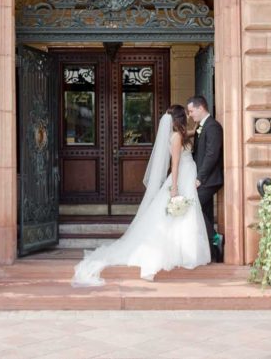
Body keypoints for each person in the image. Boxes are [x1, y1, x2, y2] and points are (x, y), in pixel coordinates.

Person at [71, 105, 210, 286]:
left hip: (188, 174)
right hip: (182, 177)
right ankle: (181, 253)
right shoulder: (176, 137)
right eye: (185, 113)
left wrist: (199, 128)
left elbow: (189, 134)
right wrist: (174, 189)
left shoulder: (181, 134)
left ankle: (187, 251)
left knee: (186, 216)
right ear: (180, 117)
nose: (187, 114)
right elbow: (175, 165)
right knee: (178, 217)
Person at [187, 95, 224, 263]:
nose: (190, 115)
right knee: (205, 213)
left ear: (201, 108)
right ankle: (212, 252)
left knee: (192, 206)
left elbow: (211, 155)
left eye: (191, 111)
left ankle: (216, 237)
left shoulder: (213, 126)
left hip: (210, 179)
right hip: (204, 178)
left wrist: (199, 178)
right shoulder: (201, 126)